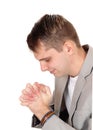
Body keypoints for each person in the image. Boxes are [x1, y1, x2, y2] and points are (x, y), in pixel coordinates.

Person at [19, 14, 92, 130]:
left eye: (47, 59)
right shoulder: (62, 74)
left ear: (68, 48)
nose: (42, 68)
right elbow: (69, 120)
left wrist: (43, 113)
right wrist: (47, 106)